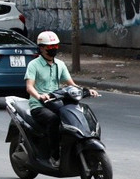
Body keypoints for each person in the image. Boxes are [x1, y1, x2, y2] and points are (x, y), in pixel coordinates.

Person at [25, 30, 98, 162]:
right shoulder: (33, 65)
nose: (53, 49)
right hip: (39, 105)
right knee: (54, 120)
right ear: (41, 48)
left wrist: (87, 90)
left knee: (78, 113)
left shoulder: (60, 64)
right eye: (50, 47)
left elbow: (71, 84)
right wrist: (40, 96)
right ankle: (54, 156)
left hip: (57, 102)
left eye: (55, 46)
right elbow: (29, 87)